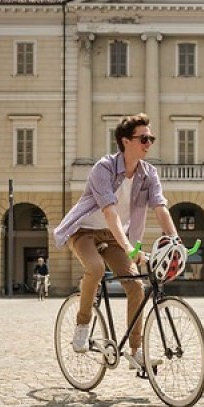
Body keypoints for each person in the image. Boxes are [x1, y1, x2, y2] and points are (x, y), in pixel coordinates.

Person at [54, 112, 179, 370]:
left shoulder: (148, 173)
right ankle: (82, 324)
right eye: (143, 138)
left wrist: (175, 240)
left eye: (151, 138)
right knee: (96, 268)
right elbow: (109, 213)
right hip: (84, 231)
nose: (149, 144)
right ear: (125, 141)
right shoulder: (104, 168)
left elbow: (160, 207)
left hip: (114, 237)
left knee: (136, 287)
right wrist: (130, 248)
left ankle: (136, 351)